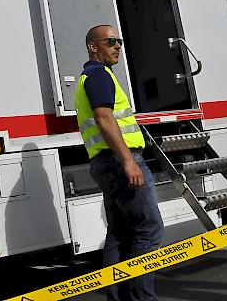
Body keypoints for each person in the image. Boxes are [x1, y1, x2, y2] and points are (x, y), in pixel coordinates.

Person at [74, 24, 163, 301]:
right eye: (111, 42)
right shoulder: (98, 75)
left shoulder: (90, 77)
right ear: (93, 47)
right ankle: (140, 298)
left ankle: (118, 296)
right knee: (149, 229)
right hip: (118, 160)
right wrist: (128, 161)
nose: (118, 47)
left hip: (104, 161)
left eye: (120, 41)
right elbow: (104, 118)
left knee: (120, 233)